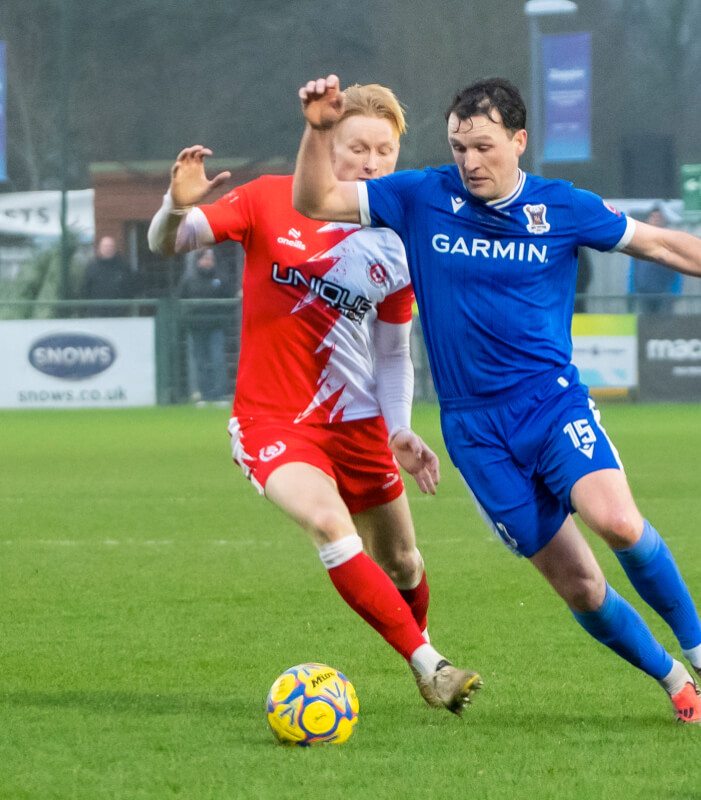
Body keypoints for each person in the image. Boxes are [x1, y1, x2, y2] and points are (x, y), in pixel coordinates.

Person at [294, 74, 701, 725]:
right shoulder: (422, 196)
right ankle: (672, 678)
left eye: (483, 146)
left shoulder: (561, 207)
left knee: (618, 522)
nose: (469, 161)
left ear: (519, 141)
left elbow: (657, 242)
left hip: (551, 405)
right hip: (476, 433)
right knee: (579, 584)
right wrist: (319, 129)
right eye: (459, 147)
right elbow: (316, 197)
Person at [147, 83, 482, 715]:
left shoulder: (395, 236)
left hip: (357, 428)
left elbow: (390, 352)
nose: (372, 162)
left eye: (385, 151)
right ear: (330, 140)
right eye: (358, 146)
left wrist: (399, 430)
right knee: (329, 524)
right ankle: (430, 665)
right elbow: (170, 241)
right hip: (274, 422)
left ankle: (419, 648)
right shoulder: (270, 198)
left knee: (405, 561)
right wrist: (172, 205)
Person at [176, 248, 233, 402]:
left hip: (216, 325)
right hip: (196, 327)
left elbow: (230, 298)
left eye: (211, 259)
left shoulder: (221, 278)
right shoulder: (189, 279)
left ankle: (219, 394)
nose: (208, 262)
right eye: (205, 259)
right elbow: (181, 299)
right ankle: (205, 394)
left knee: (217, 359)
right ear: (198, 261)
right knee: (200, 361)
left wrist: (221, 315)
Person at [629, 207, 682, 314]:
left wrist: (676, 291)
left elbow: (679, 269)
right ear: (648, 220)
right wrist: (631, 291)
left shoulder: (670, 244)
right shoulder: (639, 243)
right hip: (644, 292)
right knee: (646, 323)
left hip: (664, 292)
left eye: (659, 218)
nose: (656, 220)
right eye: (653, 217)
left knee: (664, 324)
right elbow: (633, 270)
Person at [81, 236, 139, 317]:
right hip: (97, 315)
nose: (108, 248)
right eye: (105, 246)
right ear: (100, 249)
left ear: (115, 248)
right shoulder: (91, 268)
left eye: (111, 246)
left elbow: (132, 288)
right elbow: (85, 291)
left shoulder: (123, 267)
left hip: (120, 315)